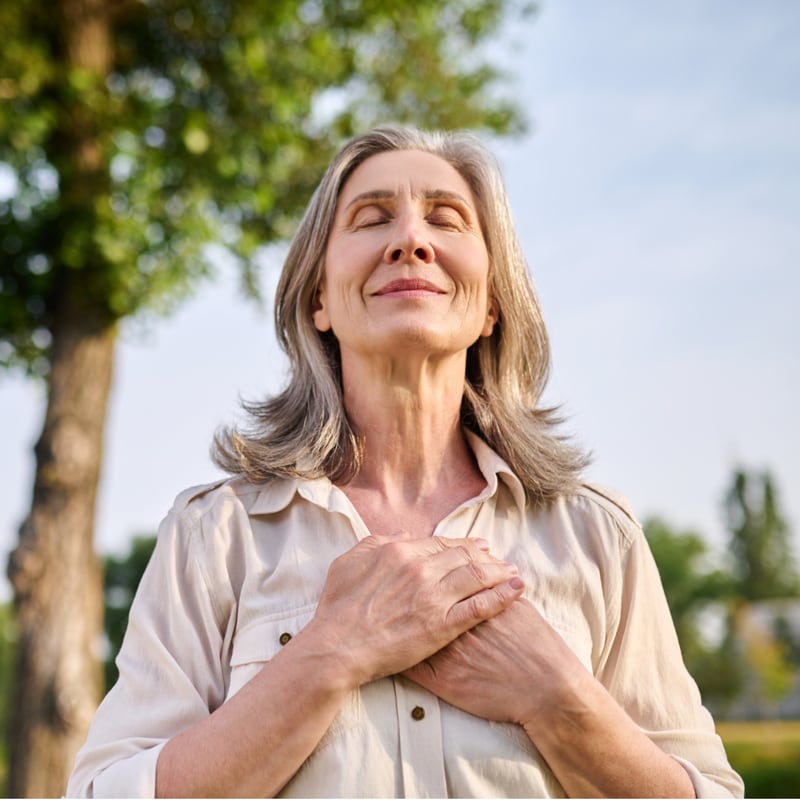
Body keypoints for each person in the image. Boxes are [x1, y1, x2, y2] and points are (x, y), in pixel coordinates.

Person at [67, 126, 744, 798]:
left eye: (446, 219)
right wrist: (331, 653)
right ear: (319, 300)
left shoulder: (599, 537)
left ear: (491, 307)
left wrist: (557, 696)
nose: (410, 241)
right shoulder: (214, 536)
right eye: (371, 218)